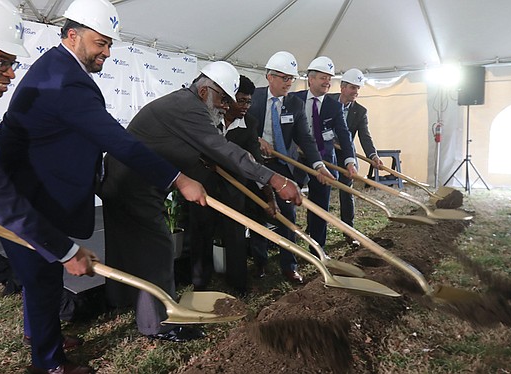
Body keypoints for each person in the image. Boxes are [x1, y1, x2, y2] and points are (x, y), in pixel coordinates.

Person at [0, 0, 205, 371]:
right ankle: (51, 363)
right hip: (27, 195)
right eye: (100, 43)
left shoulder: (57, 67)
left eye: (109, 45)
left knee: (44, 271)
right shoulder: (65, 82)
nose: (106, 52)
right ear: (72, 36)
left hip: (31, 186)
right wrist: (179, 179)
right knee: (42, 278)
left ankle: (40, 333)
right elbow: (120, 142)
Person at [0, 0, 106, 372]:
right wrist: (66, 251)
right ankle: (49, 365)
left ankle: (42, 341)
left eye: (11, 62)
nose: (11, 74)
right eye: (0, 62)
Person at [100, 61, 302, 340]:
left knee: (132, 247)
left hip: (123, 179)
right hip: (132, 185)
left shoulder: (185, 103)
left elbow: (178, 144)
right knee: (156, 249)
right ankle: (158, 324)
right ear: (205, 90)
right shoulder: (189, 107)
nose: (223, 106)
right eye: (222, 99)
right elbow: (224, 149)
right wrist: (275, 180)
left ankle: (122, 301)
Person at [248, 51, 335, 284]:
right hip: (252, 161)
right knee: (258, 210)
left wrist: (318, 166)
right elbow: (238, 126)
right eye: (284, 78)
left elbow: (306, 138)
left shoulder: (295, 104)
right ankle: (260, 261)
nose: (288, 83)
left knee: (288, 210)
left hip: (280, 163)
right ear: (269, 77)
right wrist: (255, 140)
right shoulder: (252, 98)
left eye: (291, 79)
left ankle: (289, 264)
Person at [216, 75, 279, 295]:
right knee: (201, 229)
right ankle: (201, 281)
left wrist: (269, 196)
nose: (245, 106)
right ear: (229, 98)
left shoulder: (250, 123)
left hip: (235, 185)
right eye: (241, 100)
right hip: (205, 183)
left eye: (249, 102)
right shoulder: (211, 116)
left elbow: (256, 161)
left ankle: (238, 283)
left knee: (235, 232)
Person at [291, 56, 357, 253]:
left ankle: (317, 249)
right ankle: (289, 242)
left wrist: (350, 160)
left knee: (320, 206)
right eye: (323, 77)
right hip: (296, 159)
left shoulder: (334, 106)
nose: (327, 82)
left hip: (324, 162)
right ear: (310, 79)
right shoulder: (295, 100)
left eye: (330, 78)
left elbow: (345, 135)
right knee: (289, 200)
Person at [329, 68, 383, 234]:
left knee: (347, 190)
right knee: (320, 189)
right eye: (353, 87)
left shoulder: (360, 112)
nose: (356, 92)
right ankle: (315, 227)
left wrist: (373, 155)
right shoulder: (327, 101)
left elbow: (365, 137)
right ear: (343, 87)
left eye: (358, 88)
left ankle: (349, 230)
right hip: (326, 150)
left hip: (346, 153)